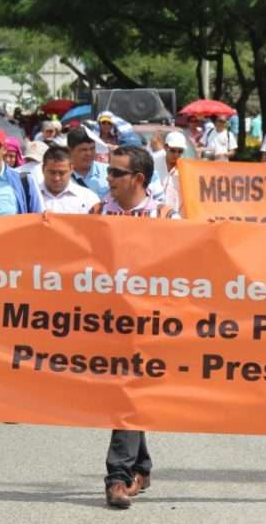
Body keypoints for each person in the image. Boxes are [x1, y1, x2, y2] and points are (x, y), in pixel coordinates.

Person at [90, 145, 180, 509]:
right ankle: (139, 467)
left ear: (138, 179)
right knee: (128, 392)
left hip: (150, 323)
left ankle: (118, 475)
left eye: (116, 173)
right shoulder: (95, 213)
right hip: (104, 322)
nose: (108, 178)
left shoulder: (166, 218)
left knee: (126, 391)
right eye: (108, 172)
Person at [36, 145, 99, 214]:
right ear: (42, 169)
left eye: (62, 173)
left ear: (71, 169)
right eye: (52, 172)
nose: (56, 178)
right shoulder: (28, 198)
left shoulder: (88, 198)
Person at [68, 127, 111, 199]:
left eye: (92, 148)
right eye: (83, 150)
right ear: (70, 150)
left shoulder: (109, 171)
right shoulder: (61, 175)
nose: (89, 153)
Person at [162, 131, 186, 214]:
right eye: (173, 150)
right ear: (165, 147)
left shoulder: (187, 170)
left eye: (180, 151)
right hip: (156, 218)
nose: (176, 154)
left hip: (178, 218)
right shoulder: (153, 164)